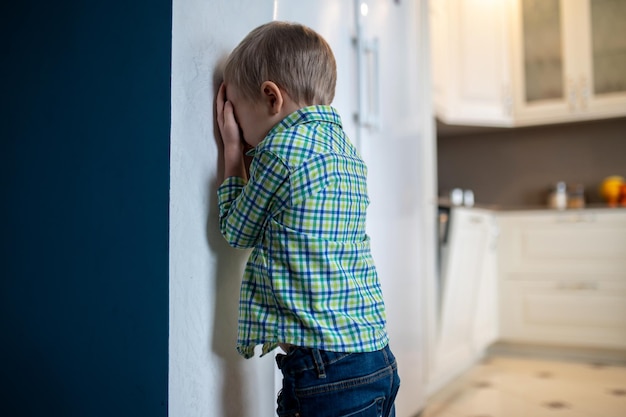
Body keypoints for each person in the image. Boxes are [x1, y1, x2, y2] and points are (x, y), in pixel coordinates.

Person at [215, 21, 400, 417]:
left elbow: (236, 229)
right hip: (376, 355)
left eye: (239, 116)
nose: (245, 134)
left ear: (270, 97)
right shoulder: (347, 151)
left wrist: (233, 151)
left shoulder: (279, 151)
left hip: (326, 372)